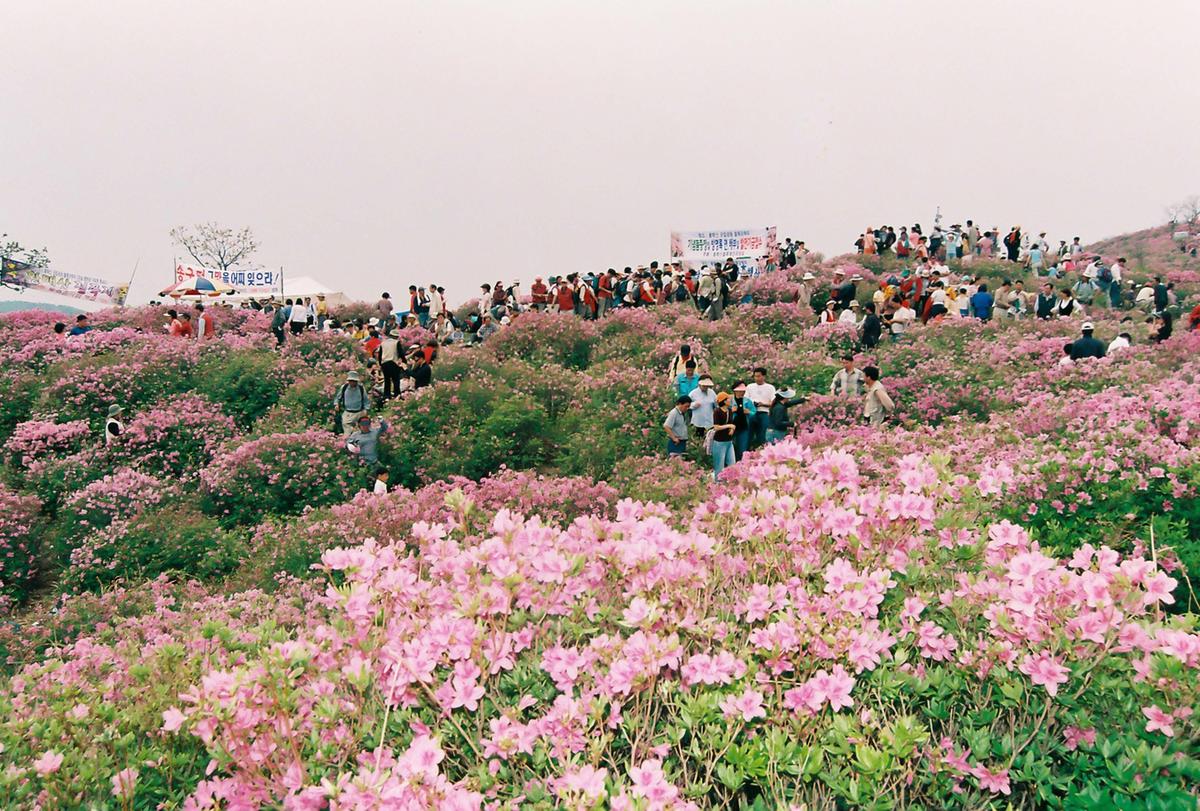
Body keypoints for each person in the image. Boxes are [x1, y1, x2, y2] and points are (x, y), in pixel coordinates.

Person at [744, 367, 776, 448]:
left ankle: (762, 453)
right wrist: (751, 405)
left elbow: (773, 402)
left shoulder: (770, 388)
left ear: (764, 376)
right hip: (751, 412)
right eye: (755, 376)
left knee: (762, 435)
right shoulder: (750, 387)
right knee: (748, 435)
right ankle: (745, 453)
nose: (756, 378)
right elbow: (745, 400)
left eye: (758, 376)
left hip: (764, 412)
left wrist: (763, 404)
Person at [709, 393, 737, 479]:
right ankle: (718, 482)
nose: (730, 400)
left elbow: (732, 423)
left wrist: (732, 428)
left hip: (729, 441)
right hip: (719, 442)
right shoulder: (717, 411)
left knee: (732, 463)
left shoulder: (729, 411)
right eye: (728, 399)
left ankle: (732, 481)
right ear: (723, 401)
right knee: (719, 465)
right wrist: (729, 426)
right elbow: (716, 427)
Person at [334, 371, 369, 437]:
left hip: (359, 413)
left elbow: (366, 400)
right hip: (348, 413)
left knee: (360, 433)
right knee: (347, 433)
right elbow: (338, 397)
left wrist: (366, 410)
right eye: (351, 381)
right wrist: (336, 404)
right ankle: (347, 445)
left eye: (354, 381)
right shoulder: (344, 387)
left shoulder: (361, 388)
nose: (352, 383)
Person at [728, 381, 756, 461]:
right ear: (735, 391)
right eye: (740, 391)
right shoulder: (729, 400)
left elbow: (754, 412)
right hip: (731, 427)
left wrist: (749, 412)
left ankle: (741, 464)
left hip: (744, 426)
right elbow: (722, 410)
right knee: (731, 447)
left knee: (742, 448)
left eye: (743, 391)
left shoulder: (747, 401)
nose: (742, 393)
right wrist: (731, 411)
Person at [377, 329, 402, 399]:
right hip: (393, 362)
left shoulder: (383, 343)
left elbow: (380, 354)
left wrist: (380, 364)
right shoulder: (396, 342)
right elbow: (401, 353)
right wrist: (404, 361)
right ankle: (397, 395)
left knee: (387, 380)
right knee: (396, 380)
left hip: (385, 363)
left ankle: (386, 395)